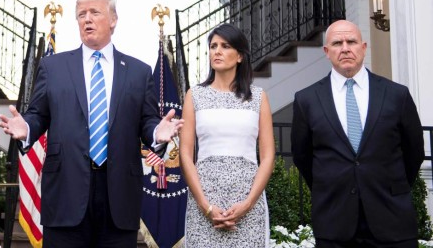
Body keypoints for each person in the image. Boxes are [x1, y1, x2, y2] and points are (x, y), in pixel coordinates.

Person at [0, 0, 183, 248]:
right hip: (65, 191)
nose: (87, 19)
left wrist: (156, 133)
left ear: (113, 20)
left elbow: (147, 122)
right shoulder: (53, 67)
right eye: (81, 15)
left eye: (94, 13)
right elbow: (38, 114)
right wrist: (26, 127)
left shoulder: (139, 72)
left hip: (118, 195)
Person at [291, 19, 424, 248]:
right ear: (327, 51)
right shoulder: (307, 100)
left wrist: (386, 184)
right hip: (335, 224)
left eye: (351, 41)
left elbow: (415, 152)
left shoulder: (396, 95)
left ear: (363, 47)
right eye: (337, 43)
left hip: (392, 221)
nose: (345, 48)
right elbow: (302, 157)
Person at [179, 23, 275, 247]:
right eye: (213, 46)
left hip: (247, 199)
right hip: (205, 198)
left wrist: (248, 203)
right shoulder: (195, 95)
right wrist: (206, 206)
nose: (217, 51)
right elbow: (185, 154)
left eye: (225, 46)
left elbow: (268, 156)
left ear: (240, 56)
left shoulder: (258, 97)